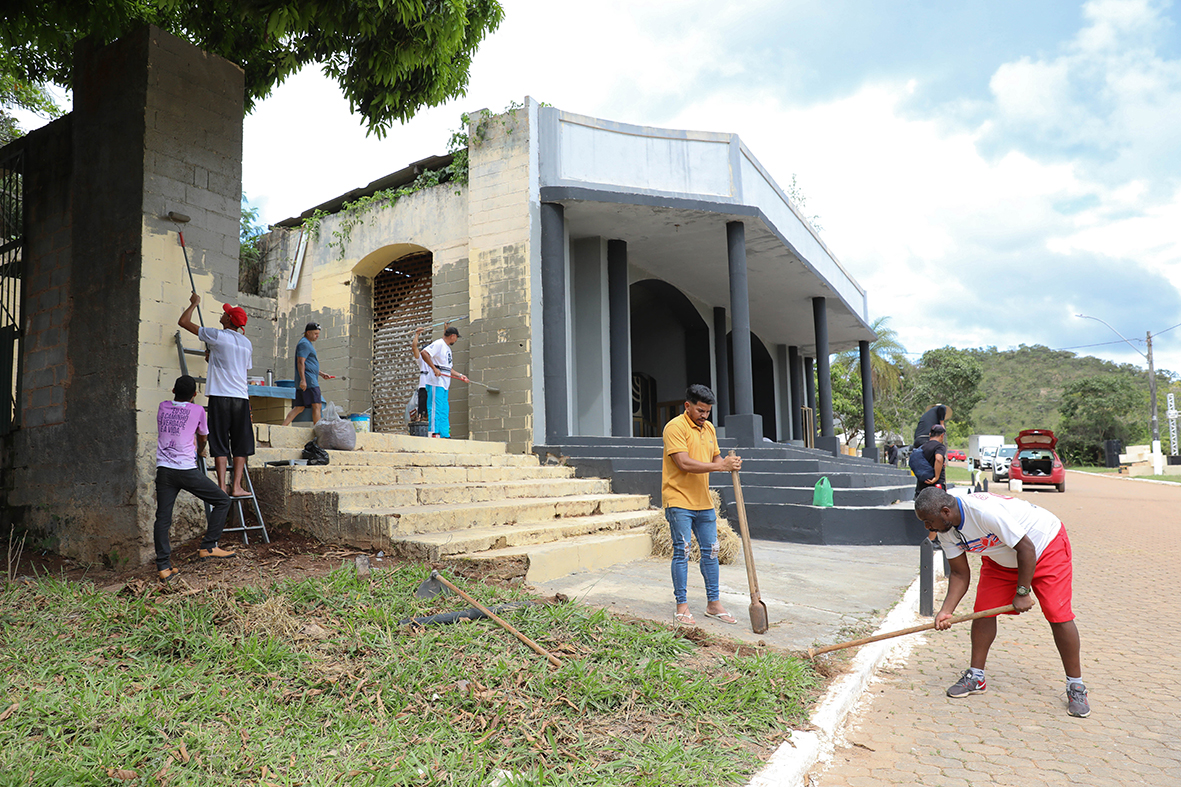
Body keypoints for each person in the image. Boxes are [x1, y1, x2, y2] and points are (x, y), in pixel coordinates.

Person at [914, 487, 1089, 718]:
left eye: (928, 521)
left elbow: (1026, 548)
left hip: (1045, 546)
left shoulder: (984, 512)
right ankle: (976, 676)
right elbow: (959, 574)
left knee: (1058, 613)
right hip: (1002, 557)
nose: (928, 528)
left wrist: (1023, 591)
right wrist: (946, 611)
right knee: (983, 611)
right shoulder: (946, 528)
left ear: (946, 511)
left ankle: (1075, 685)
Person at [661, 384, 743, 626]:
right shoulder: (674, 427)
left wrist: (729, 462)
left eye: (707, 412)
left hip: (703, 501)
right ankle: (682, 606)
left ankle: (713, 604)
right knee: (682, 551)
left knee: (712, 551)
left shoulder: (708, 429)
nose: (704, 416)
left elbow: (715, 458)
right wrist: (720, 466)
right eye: (700, 410)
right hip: (678, 500)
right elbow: (684, 463)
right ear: (687, 406)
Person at [153, 375, 236, 583]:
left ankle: (163, 567)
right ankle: (209, 546)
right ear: (195, 395)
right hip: (186, 470)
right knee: (222, 500)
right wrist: (201, 450)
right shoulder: (198, 410)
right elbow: (202, 435)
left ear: (173, 390)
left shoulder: (163, 406)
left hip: (164, 471)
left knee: (163, 518)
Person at [178, 293, 254, 497]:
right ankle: (236, 487)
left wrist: (194, 303)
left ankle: (221, 486)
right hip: (241, 398)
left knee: (220, 443)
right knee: (240, 444)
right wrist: (213, 358)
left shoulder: (217, 336)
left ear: (229, 320)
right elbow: (239, 367)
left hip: (220, 397)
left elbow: (183, 322)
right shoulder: (247, 344)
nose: (222, 314)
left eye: (225, 313)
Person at [420, 325, 469, 438]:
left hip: (445, 384)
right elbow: (424, 353)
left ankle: (444, 433)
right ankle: (433, 432)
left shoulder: (447, 349)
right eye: (456, 337)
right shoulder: (439, 344)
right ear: (452, 336)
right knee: (435, 407)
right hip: (436, 382)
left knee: (444, 409)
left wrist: (461, 375)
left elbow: (448, 369)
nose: (456, 340)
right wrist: (434, 368)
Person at [280, 322, 332, 427]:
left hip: (308, 379)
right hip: (309, 381)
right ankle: (318, 431)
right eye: (315, 333)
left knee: (299, 407)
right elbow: (301, 362)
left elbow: (309, 365)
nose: (317, 336)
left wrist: (321, 374)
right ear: (308, 333)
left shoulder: (307, 343)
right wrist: (303, 380)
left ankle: (282, 427)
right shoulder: (304, 344)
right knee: (317, 405)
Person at [914, 424, 948, 499]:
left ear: (930, 434)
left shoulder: (922, 447)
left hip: (922, 485)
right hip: (935, 485)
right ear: (942, 435)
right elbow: (938, 459)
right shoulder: (939, 446)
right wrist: (936, 477)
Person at [410, 326, 430, 421]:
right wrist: (417, 334)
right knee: (422, 412)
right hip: (423, 387)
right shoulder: (421, 361)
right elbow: (414, 347)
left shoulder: (435, 360)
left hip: (433, 386)